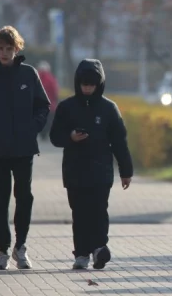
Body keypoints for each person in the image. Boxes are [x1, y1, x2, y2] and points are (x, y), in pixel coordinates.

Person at [0, 26, 51, 271]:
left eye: (9, 48)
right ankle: (2, 250)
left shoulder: (28, 74)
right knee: (0, 200)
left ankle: (21, 246)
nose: (4, 53)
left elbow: (43, 105)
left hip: (24, 148)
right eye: (0, 48)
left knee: (24, 197)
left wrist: (32, 127)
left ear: (17, 48)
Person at [49, 59, 133, 270]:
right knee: (79, 213)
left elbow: (120, 142)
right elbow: (54, 136)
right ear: (78, 83)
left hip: (101, 171)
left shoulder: (108, 109)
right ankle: (81, 254)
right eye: (84, 84)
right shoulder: (67, 107)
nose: (87, 88)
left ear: (99, 84)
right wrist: (70, 137)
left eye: (91, 84)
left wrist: (126, 171)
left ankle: (99, 248)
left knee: (99, 211)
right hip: (75, 171)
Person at [37, 61, 59, 140]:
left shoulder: (36, 77)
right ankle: (45, 134)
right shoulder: (51, 78)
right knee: (49, 120)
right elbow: (55, 91)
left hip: (38, 105)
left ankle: (42, 133)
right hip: (50, 104)